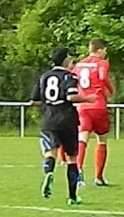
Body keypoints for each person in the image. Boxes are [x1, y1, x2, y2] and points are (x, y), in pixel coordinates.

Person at [30, 47, 96, 205]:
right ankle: (72, 197)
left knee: (50, 152)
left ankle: (49, 172)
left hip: (49, 120)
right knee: (72, 158)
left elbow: (34, 101)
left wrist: (48, 104)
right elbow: (71, 96)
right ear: (65, 59)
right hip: (67, 120)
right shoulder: (69, 76)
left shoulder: (44, 76)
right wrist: (88, 99)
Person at [74, 39, 115, 186]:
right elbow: (103, 77)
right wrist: (110, 90)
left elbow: (73, 80)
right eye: (104, 50)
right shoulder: (102, 63)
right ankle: (98, 177)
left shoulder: (79, 64)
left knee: (82, 138)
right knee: (102, 140)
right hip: (98, 105)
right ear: (99, 50)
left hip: (82, 106)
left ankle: (78, 171)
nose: (105, 53)